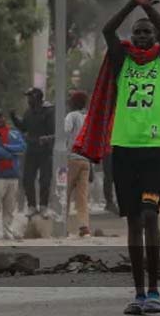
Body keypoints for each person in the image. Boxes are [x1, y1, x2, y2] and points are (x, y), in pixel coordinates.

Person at [74, 0, 160, 316]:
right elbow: (108, 30)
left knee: (149, 216)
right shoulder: (122, 60)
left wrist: (146, 6)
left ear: (154, 38)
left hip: (156, 149)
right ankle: (139, 294)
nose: (142, 36)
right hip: (123, 150)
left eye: (147, 32)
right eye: (137, 32)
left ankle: (155, 291)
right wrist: (132, 2)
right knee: (132, 223)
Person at [12, 88, 56, 218]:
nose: (28, 100)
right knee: (27, 179)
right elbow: (24, 127)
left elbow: (54, 132)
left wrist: (46, 139)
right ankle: (31, 205)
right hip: (31, 149)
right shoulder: (28, 112)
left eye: (30, 97)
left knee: (45, 180)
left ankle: (43, 206)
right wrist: (14, 118)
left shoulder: (49, 111)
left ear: (37, 97)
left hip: (45, 151)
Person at [0, 109, 26, 239]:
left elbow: (22, 147)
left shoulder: (14, 133)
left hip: (13, 174)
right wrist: (10, 153)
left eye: (0, 117)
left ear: (4, 118)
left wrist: (6, 147)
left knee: (10, 207)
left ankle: (8, 231)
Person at [65, 90, 92, 237]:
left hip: (72, 159)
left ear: (74, 102)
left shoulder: (71, 116)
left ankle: (62, 225)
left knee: (65, 192)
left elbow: (65, 133)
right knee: (82, 197)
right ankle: (84, 226)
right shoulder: (89, 117)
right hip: (86, 160)